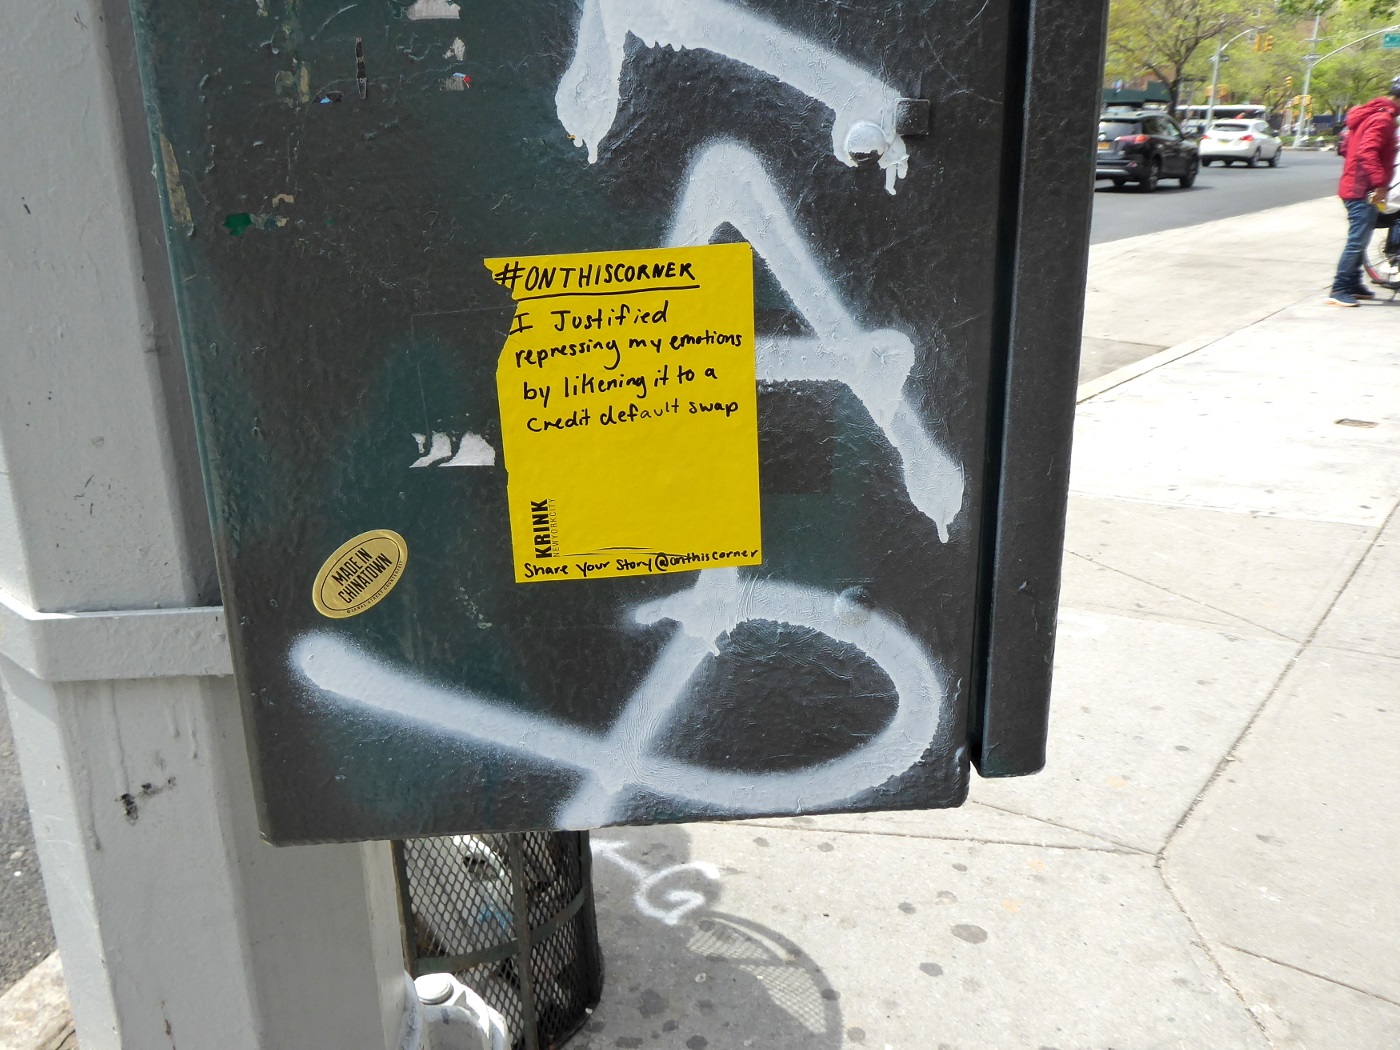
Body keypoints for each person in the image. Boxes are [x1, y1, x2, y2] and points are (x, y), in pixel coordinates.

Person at [1327, 74, 1400, 307]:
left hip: (1355, 184)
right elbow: (1367, 152)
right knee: (1357, 241)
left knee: (1363, 237)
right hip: (1362, 189)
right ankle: (1339, 288)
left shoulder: (1371, 114)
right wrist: (1379, 184)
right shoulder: (1383, 120)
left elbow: (1348, 148)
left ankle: (1353, 283)